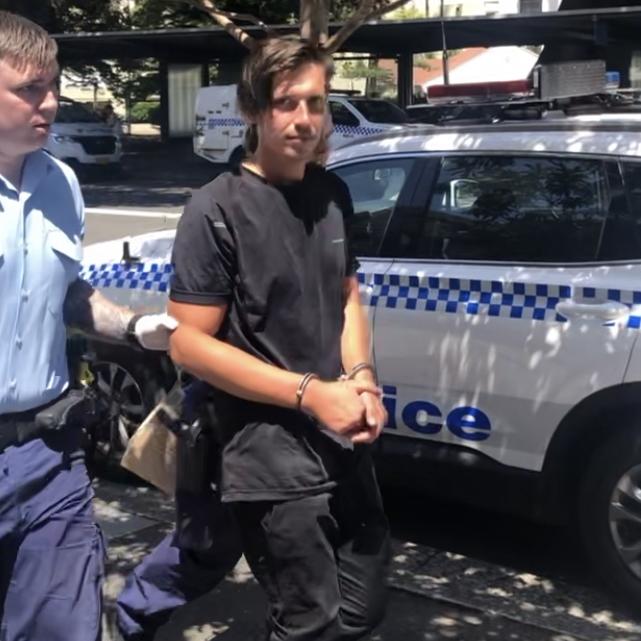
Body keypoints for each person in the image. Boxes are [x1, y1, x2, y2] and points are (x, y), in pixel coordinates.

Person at [167, 37, 390, 641]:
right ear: (253, 109)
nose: (304, 120)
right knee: (310, 622)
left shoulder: (332, 194)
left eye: (316, 103)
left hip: (343, 440)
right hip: (265, 452)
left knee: (361, 610)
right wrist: (311, 394)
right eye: (286, 102)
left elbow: (346, 296)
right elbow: (188, 344)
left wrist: (362, 378)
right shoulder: (215, 210)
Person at [114, 116, 339, 641]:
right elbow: (193, 341)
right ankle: (127, 617)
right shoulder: (222, 208)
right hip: (228, 421)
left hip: (299, 425)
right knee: (206, 544)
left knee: (289, 564)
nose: (313, 127)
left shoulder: (325, 202)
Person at [0, 12, 176, 641]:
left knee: (66, 627)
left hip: (49, 453)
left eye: (53, 86)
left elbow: (67, 293)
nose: (49, 103)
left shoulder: (63, 184)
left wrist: (135, 327)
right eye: (28, 90)